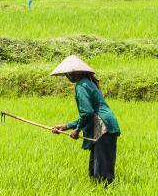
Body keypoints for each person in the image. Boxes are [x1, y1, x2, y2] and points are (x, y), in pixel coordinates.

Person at [49, 55, 121, 185]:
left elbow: (87, 113)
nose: (67, 77)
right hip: (103, 126)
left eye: (68, 74)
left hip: (102, 127)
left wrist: (77, 130)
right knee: (94, 171)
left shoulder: (81, 85)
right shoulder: (87, 83)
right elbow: (88, 114)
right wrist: (66, 126)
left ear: (75, 73)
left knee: (102, 175)